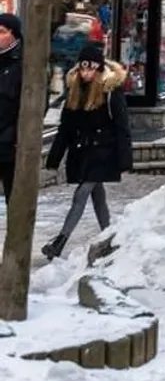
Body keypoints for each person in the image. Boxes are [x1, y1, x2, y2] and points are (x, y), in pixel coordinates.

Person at [40, 45, 133, 259]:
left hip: (103, 153)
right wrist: (55, 157)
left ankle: (60, 242)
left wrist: (124, 157)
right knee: (97, 197)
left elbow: (122, 126)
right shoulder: (75, 90)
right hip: (83, 152)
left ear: (99, 68)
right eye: (83, 69)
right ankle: (108, 237)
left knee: (81, 194)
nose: (86, 73)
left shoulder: (110, 90)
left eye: (90, 69)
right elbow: (65, 128)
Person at [0, 13, 22, 201]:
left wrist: (14, 134)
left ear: (13, 35)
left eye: (2, 32)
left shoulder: (23, 64)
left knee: (14, 197)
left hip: (10, 144)